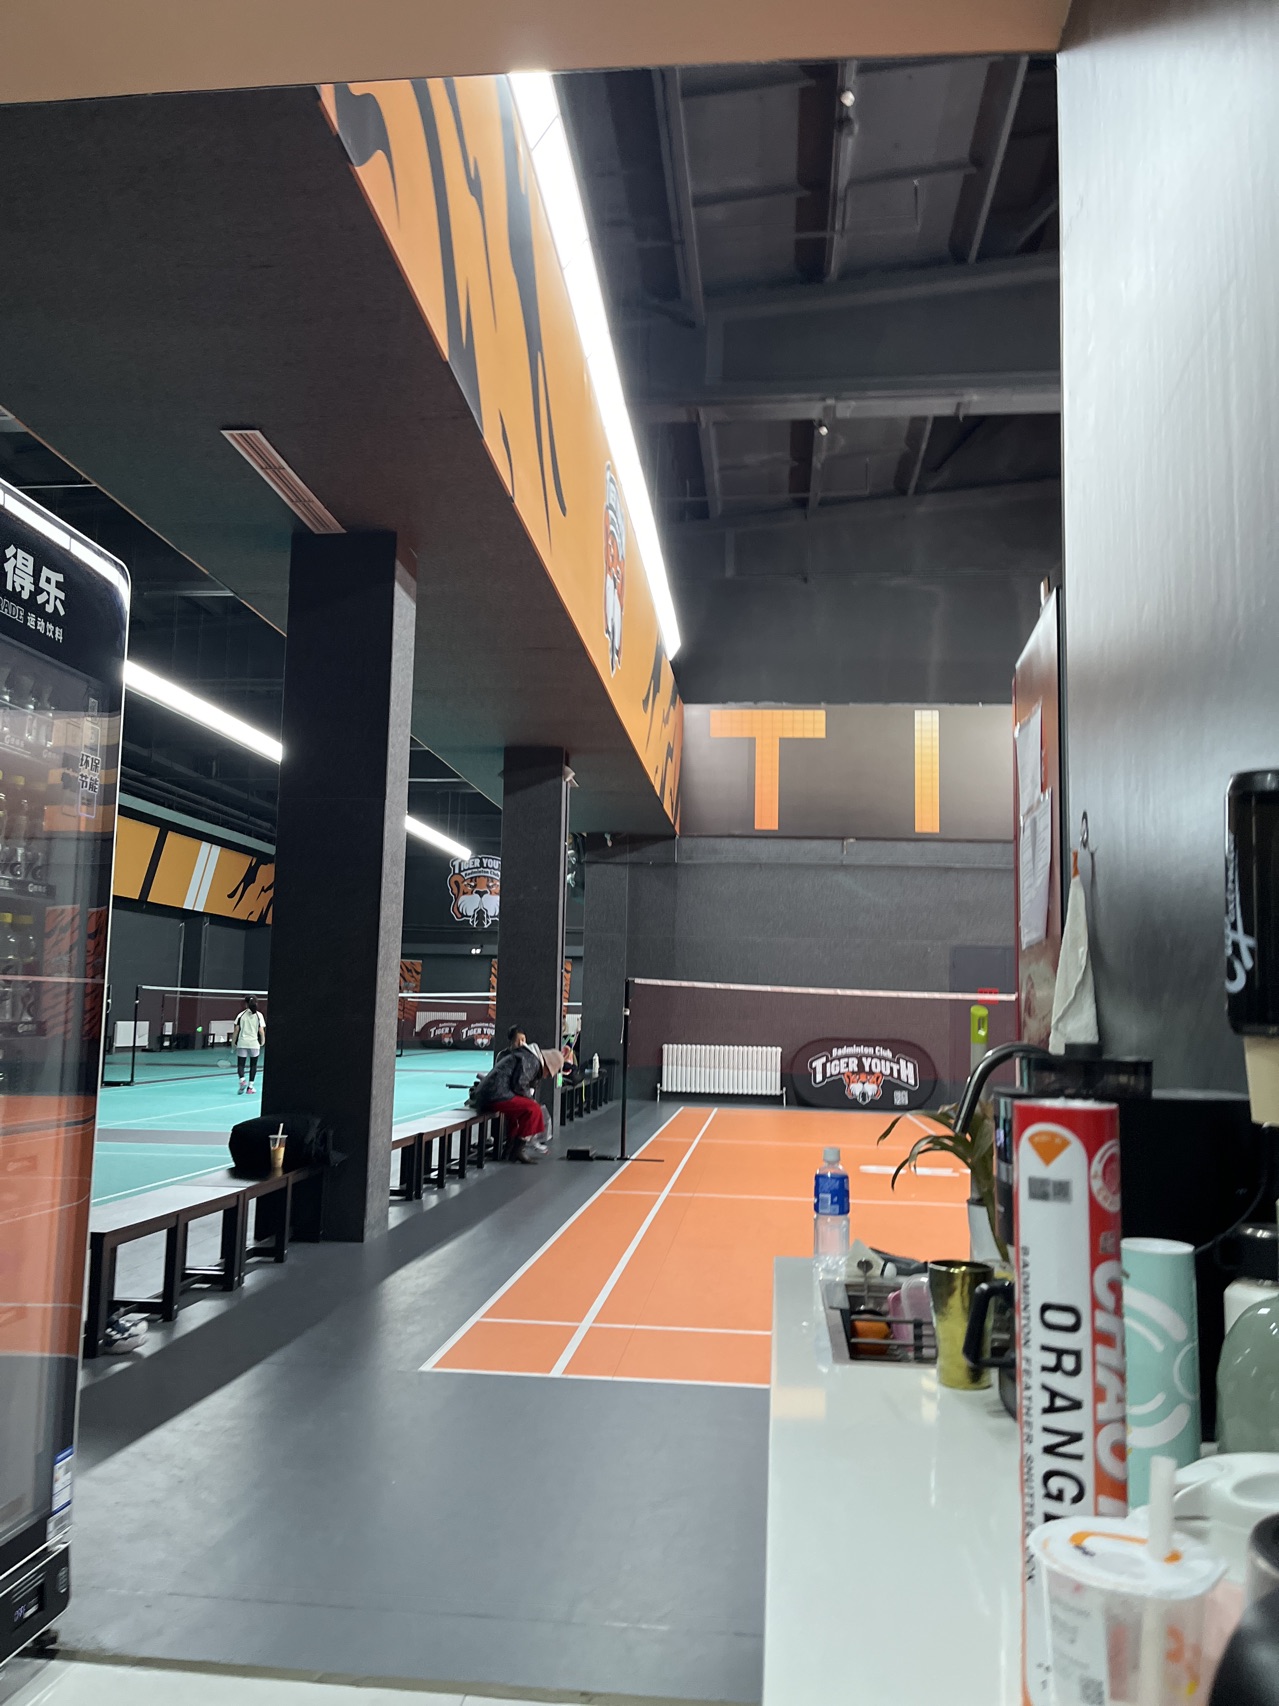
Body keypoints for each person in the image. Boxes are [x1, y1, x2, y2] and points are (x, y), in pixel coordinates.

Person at [475, 1026, 549, 1162]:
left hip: (495, 1094)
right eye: (518, 1040)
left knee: (518, 1115)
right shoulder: (523, 1058)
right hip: (496, 1095)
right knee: (533, 1109)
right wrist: (529, 1098)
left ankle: (509, 1150)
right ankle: (518, 1150)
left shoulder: (522, 1056)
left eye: (523, 1040)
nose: (521, 1043)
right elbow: (519, 1084)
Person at [233, 995, 265, 1095]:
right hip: (254, 1043)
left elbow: (236, 1030)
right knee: (253, 1065)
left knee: (241, 1064)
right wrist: (263, 1040)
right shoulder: (259, 1015)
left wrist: (233, 1042)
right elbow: (261, 1030)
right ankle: (250, 1088)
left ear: (246, 1004)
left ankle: (242, 1080)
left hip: (242, 1043)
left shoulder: (241, 1015)